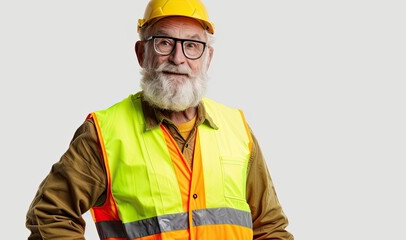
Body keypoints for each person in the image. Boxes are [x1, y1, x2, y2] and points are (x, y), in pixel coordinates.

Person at [26, 0, 294, 239]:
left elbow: (269, 227)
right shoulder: (104, 133)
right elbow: (51, 214)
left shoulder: (237, 129)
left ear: (207, 58)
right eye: (164, 43)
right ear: (142, 53)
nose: (178, 58)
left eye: (192, 45)